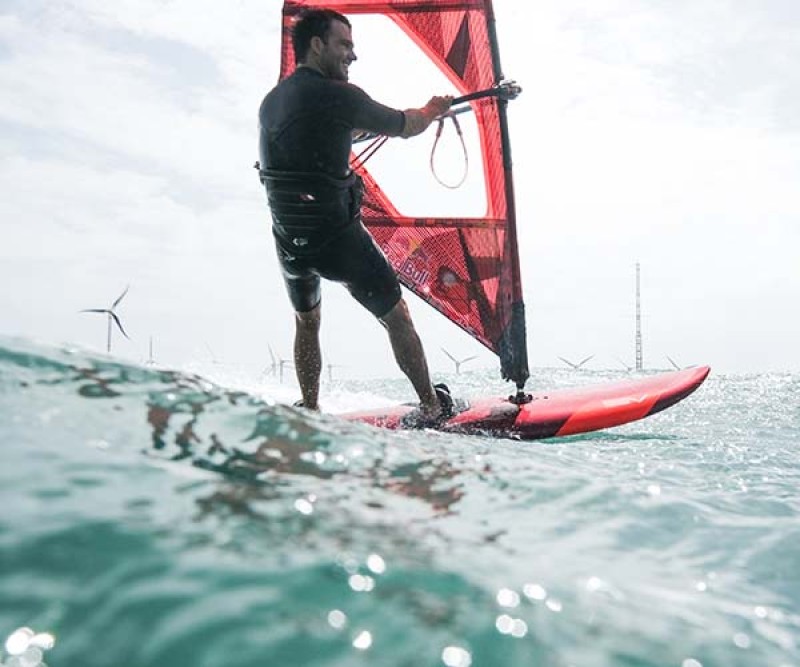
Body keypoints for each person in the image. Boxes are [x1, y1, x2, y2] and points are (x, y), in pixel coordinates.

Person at [258, 8, 453, 424]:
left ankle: (309, 408)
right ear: (317, 44)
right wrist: (434, 108)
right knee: (396, 316)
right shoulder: (340, 96)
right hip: (338, 240)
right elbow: (406, 124)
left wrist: (356, 129)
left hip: (289, 242)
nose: (352, 54)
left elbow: (322, 131)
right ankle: (431, 406)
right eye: (344, 44)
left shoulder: (272, 102)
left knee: (307, 320)